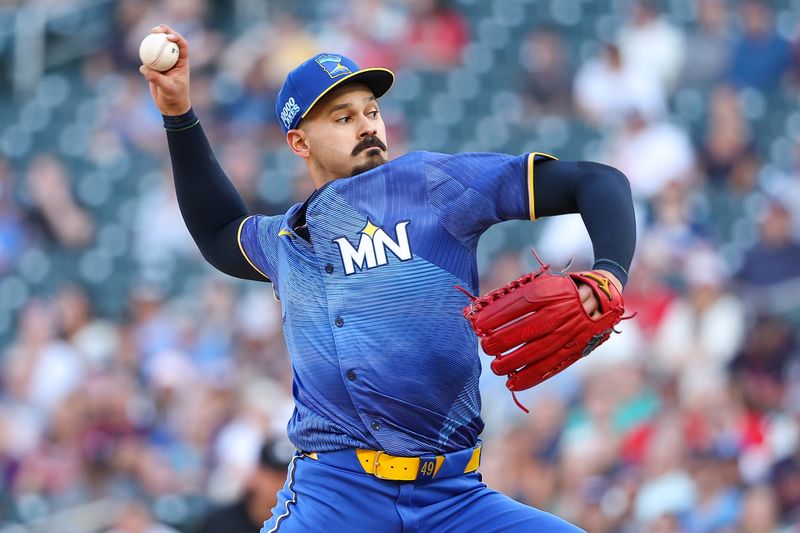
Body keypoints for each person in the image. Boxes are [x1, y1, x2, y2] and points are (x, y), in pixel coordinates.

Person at [140, 24, 636, 532]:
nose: (367, 126)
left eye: (372, 111)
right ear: (298, 141)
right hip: (334, 499)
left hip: (453, 499)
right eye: (343, 117)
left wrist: (610, 276)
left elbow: (598, 182)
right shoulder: (287, 241)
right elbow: (220, 230)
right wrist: (178, 114)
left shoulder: (433, 186)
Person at [195, 438, 293, 533]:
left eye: (289, 478)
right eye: (275, 477)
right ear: (256, 473)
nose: (283, 484)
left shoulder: (303, 525)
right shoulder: (220, 523)